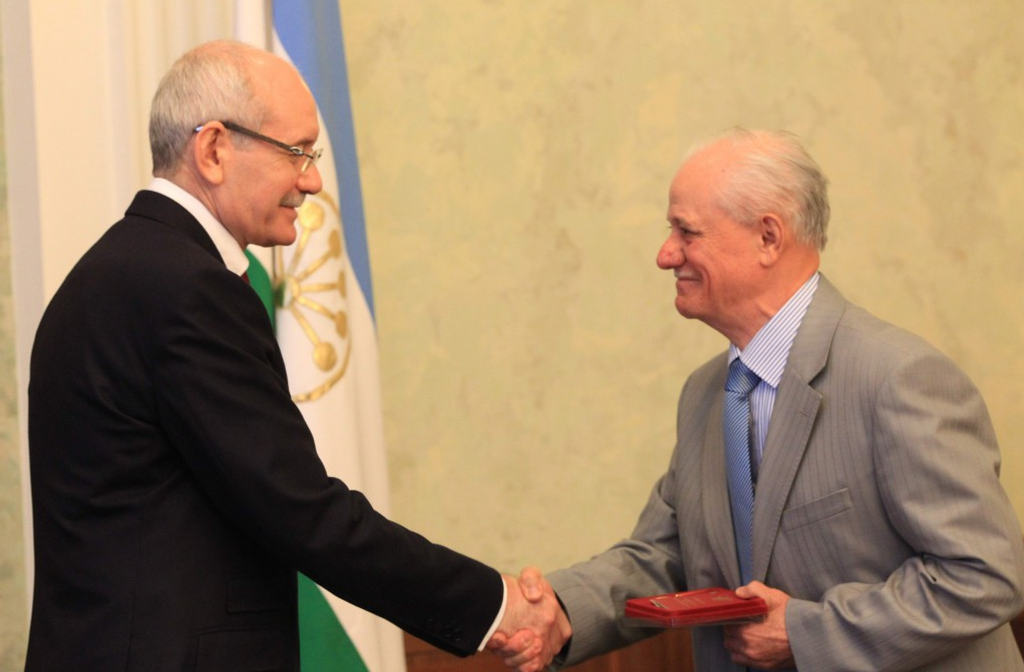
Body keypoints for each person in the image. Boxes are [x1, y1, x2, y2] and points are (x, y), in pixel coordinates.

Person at [25, 40, 568, 672]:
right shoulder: (185, 288)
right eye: (297, 152)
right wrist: (495, 605)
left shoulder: (117, 270)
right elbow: (301, 511)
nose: (311, 180)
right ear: (214, 149)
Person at [495, 128, 1024, 671]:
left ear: (768, 237)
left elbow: (985, 575)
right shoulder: (705, 394)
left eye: (686, 231)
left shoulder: (899, 378)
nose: (665, 254)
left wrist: (804, 632)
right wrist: (559, 609)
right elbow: (668, 554)